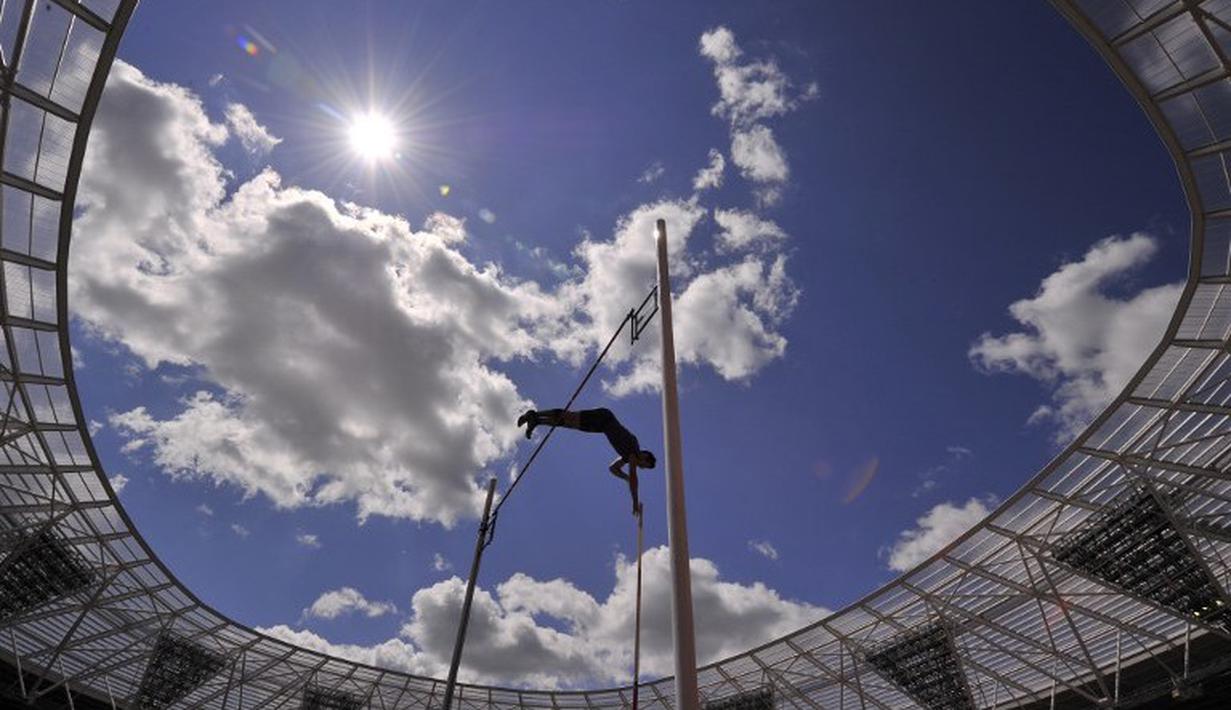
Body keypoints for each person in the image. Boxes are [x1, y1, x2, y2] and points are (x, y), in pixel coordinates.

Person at [517, 407, 655, 515]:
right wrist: (635, 502)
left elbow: (613, 468)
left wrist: (625, 477)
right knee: (570, 416)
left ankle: (537, 420)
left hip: (602, 427)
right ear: (644, 457)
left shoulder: (628, 456)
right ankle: (533, 414)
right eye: (644, 466)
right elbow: (634, 479)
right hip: (604, 418)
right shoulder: (633, 451)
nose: (641, 468)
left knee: (569, 424)